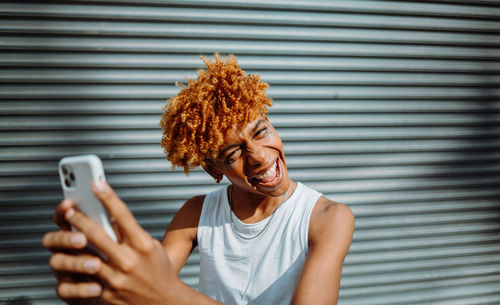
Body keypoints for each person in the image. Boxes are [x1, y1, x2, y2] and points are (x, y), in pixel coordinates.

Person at [42, 54, 355, 305]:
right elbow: (146, 289)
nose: (259, 155)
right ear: (213, 170)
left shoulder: (328, 218)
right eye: (233, 154)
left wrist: (168, 296)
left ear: (271, 125)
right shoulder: (196, 213)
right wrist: (113, 276)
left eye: (261, 132)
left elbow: (159, 292)